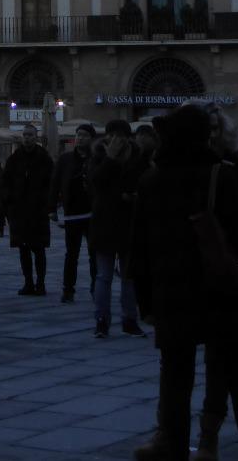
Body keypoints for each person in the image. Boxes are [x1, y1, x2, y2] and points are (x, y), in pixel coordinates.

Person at [129, 104, 238, 461]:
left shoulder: (151, 181)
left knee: (175, 377)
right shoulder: (220, 176)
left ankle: (173, 446)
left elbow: (138, 250)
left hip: (173, 295)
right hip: (223, 293)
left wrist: (145, 303)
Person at [88, 119, 146, 340]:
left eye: (120, 136)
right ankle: (101, 320)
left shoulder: (137, 158)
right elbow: (96, 182)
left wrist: (133, 197)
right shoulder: (99, 156)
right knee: (103, 276)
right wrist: (110, 159)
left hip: (130, 223)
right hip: (104, 223)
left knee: (129, 276)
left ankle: (130, 320)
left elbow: (143, 183)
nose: (115, 140)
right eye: (112, 135)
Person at [3, 124, 53, 296]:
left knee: (38, 249)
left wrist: (46, 203)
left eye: (30, 135)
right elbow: (6, 182)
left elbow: (50, 183)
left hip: (38, 211)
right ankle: (28, 282)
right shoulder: (15, 158)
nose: (27, 138)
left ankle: (40, 283)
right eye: (25, 135)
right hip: (19, 211)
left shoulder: (43, 158)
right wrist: (9, 203)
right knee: (23, 249)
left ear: (36, 136)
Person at [51, 123, 97, 304]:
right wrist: (51, 208)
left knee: (94, 254)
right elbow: (55, 183)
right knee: (71, 254)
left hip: (93, 213)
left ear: (91, 139)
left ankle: (96, 287)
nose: (80, 138)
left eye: (85, 135)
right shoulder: (66, 159)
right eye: (79, 135)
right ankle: (68, 289)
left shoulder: (96, 158)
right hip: (72, 213)